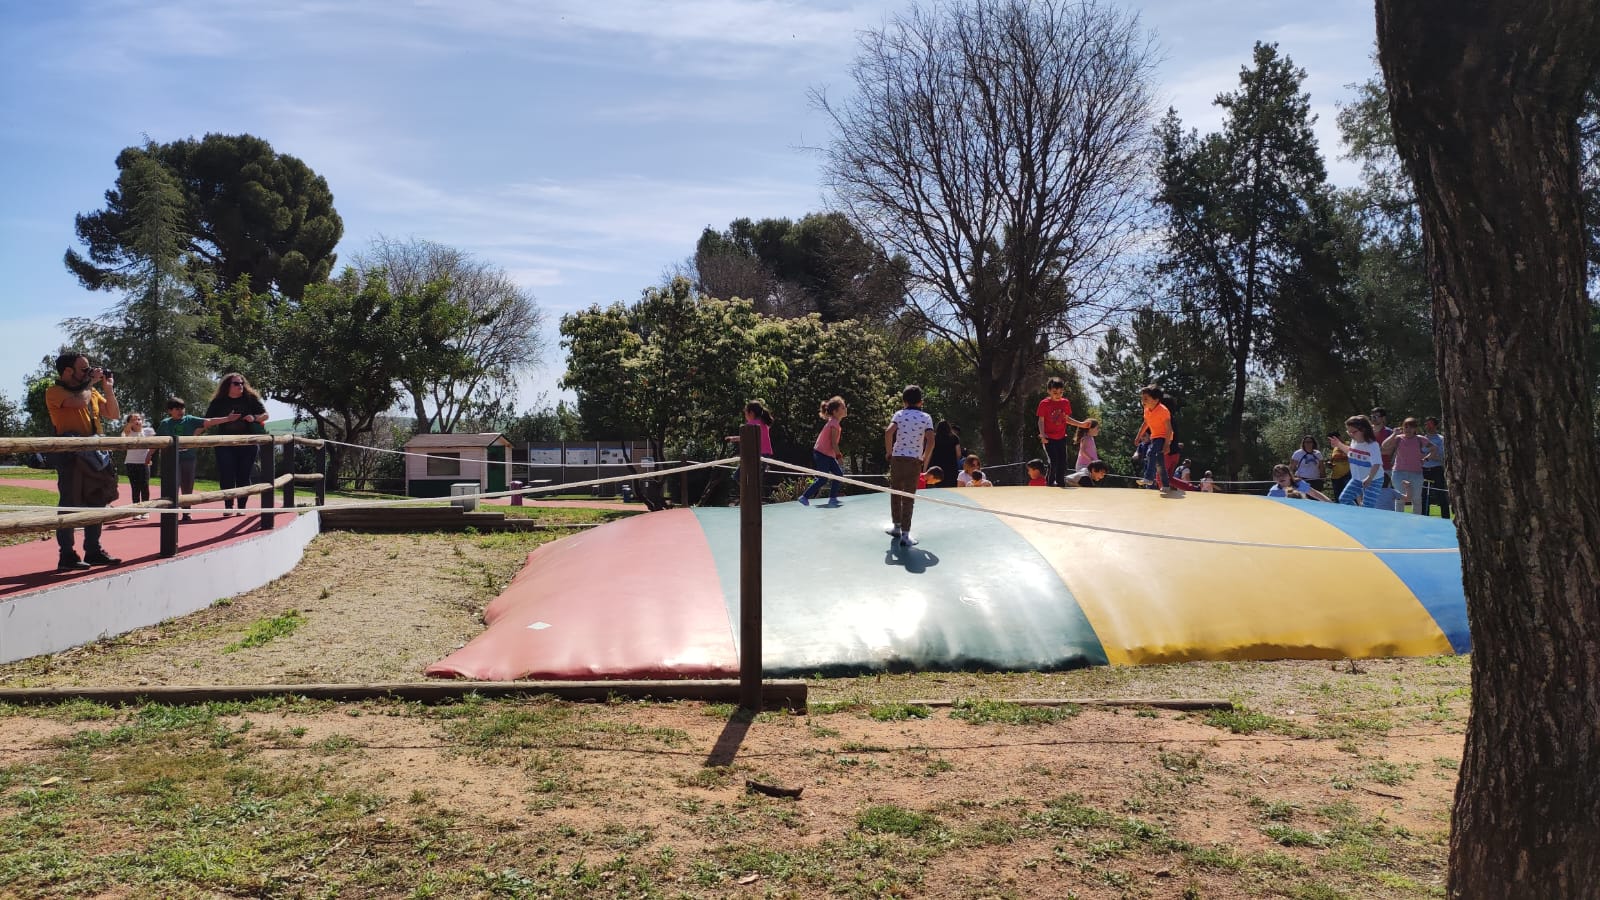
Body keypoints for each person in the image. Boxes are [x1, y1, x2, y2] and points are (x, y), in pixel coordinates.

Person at [44, 351, 122, 570]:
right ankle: (67, 554)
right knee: (70, 503)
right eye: (84, 369)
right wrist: (91, 383)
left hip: (95, 453)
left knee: (97, 501)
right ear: (68, 371)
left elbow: (114, 414)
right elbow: (79, 403)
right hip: (70, 455)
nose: (89, 372)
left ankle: (93, 550)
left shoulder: (91, 391)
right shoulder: (54, 392)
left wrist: (108, 388)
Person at [204, 373, 270, 515]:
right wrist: (226, 419)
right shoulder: (218, 401)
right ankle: (228, 506)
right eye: (236, 383)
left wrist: (254, 417)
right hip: (224, 443)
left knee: (244, 475)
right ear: (228, 386)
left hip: (248, 444)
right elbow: (207, 421)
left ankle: (241, 507)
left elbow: (266, 415)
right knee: (227, 474)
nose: (240, 386)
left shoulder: (250, 399)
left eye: (241, 383)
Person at [154, 396, 228, 522]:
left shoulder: (190, 420)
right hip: (171, 460)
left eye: (182, 408)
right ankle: (171, 513)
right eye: (177, 409)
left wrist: (227, 419)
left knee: (187, 486)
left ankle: (186, 512)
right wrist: (149, 454)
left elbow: (209, 421)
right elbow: (156, 441)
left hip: (188, 458)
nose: (181, 411)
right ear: (170, 411)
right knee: (172, 485)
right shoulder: (165, 423)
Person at [884, 384, 935, 547]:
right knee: (908, 497)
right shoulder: (926, 417)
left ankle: (896, 527)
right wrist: (924, 458)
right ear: (921, 402)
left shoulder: (899, 414)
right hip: (914, 461)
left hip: (897, 458)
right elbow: (931, 440)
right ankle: (905, 535)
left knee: (895, 493)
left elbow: (888, 432)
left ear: (904, 401)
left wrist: (889, 452)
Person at [1036, 376, 1085, 487]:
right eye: (1055, 392)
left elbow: (1067, 419)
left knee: (1062, 462)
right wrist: (1042, 434)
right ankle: (1050, 482)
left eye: (1061, 392)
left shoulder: (1065, 403)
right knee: (1053, 461)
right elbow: (1041, 420)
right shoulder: (1044, 404)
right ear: (1049, 391)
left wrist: (1080, 424)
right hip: (1048, 438)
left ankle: (1060, 482)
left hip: (1061, 437)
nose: (1058, 395)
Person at [798, 396, 847, 507]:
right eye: (843, 407)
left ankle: (832, 498)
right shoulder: (834, 424)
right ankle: (804, 497)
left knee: (838, 475)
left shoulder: (834, 422)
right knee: (823, 478)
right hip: (821, 454)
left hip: (827, 455)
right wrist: (839, 457)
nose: (845, 409)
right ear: (835, 412)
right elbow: (834, 443)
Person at [1383, 417, 1436, 515]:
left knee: (1416, 499)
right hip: (1399, 473)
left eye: (1411, 427)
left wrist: (1426, 459)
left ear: (1415, 428)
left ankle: (1416, 521)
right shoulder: (1398, 438)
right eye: (1406, 427)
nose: (1408, 429)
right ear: (1403, 428)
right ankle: (1399, 521)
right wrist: (1394, 433)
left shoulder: (1421, 439)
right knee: (1400, 499)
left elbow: (1434, 448)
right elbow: (1384, 446)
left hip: (1416, 473)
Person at [1134, 384, 1179, 496]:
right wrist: (1138, 436)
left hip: (1164, 436)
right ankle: (1166, 485)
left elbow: (1169, 429)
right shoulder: (1147, 410)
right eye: (1141, 398)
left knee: (1150, 452)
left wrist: (1167, 444)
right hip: (1155, 436)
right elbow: (1145, 423)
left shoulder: (1163, 411)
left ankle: (1148, 478)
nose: (1142, 401)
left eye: (1145, 399)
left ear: (1156, 400)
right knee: (1160, 464)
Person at [1330, 416, 1384, 508]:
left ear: (1364, 430)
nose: (1351, 434)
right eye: (1349, 432)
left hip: (1374, 479)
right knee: (1344, 499)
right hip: (1357, 479)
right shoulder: (1354, 442)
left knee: (1368, 506)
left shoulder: (1372, 445)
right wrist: (1338, 444)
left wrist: (1369, 478)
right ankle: (1357, 516)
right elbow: (1351, 453)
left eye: (1354, 432)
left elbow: (1376, 464)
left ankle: (1365, 519)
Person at [121, 413, 155, 519]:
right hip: (131, 463)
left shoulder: (148, 431)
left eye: (139, 419)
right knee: (135, 488)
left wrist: (150, 457)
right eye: (133, 420)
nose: (137, 421)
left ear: (143, 421)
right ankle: (135, 512)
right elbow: (123, 436)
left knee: (144, 487)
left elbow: (155, 444)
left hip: (144, 463)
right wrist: (129, 424)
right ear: (129, 423)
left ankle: (145, 511)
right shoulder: (127, 432)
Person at [1422, 416, 1449, 519]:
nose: (1427, 426)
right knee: (1423, 495)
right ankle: (1424, 517)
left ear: (1435, 425)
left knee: (1440, 494)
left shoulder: (1441, 439)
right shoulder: (1422, 439)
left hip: (1436, 469)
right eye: (1426, 424)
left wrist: (1430, 455)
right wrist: (1431, 453)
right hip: (1424, 469)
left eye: (1430, 424)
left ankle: (1445, 518)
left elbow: (1442, 456)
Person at [928, 420, 964, 489]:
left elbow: (929, 452)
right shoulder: (954, 438)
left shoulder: (934, 438)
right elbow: (959, 454)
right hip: (951, 467)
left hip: (936, 467)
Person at [1370, 407, 1395, 488]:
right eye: (1372, 416)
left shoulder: (1389, 432)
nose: (1373, 418)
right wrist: (1380, 449)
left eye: (1376, 416)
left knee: (1384, 496)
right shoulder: (1366, 432)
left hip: (1385, 469)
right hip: (1367, 468)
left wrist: (1370, 451)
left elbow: (1389, 452)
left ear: (1383, 418)